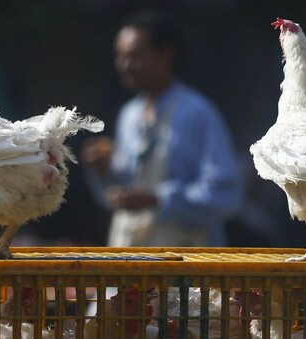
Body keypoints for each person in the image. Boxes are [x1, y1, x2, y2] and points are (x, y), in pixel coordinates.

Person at [81, 10, 243, 247]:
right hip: (132, 259)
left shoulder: (197, 114)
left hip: (186, 265)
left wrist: (157, 198)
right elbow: (119, 189)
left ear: (166, 54)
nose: (124, 65)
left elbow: (226, 194)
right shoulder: (129, 116)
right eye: (120, 56)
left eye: (135, 56)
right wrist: (104, 171)